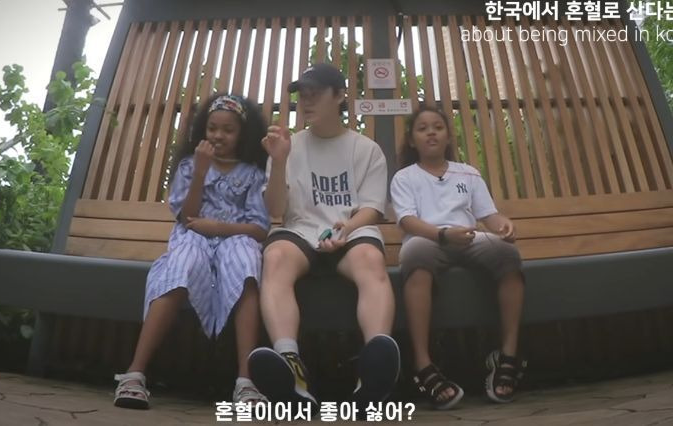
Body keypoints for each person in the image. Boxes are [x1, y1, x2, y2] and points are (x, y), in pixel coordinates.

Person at [248, 63, 400, 412]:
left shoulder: (365, 149)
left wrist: (345, 230)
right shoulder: (288, 146)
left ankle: (374, 368)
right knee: (275, 257)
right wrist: (280, 162)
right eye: (302, 95)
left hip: (351, 231)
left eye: (315, 93)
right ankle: (291, 369)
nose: (306, 101)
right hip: (300, 231)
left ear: (340, 96)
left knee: (370, 259)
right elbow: (276, 210)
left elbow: (372, 210)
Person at [113, 94, 270, 409]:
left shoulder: (253, 173)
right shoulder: (189, 166)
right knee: (181, 265)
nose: (218, 136)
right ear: (203, 130)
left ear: (243, 134)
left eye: (228, 130)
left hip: (235, 238)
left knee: (247, 266)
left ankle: (246, 382)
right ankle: (134, 374)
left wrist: (219, 227)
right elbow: (187, 217)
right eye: (212, 128)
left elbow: (259, 228)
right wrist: (200, 172)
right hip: (193, 236)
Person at [390, 106, 526, 409]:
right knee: (415, 254)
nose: (431, 133)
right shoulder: (405, 177)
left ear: (448, 136)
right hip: (429, 240)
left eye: (438, 127)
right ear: (412, 140)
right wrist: (442, 234)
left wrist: (503, 225)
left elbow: (488, 215)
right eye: (422, 128)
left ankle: (509, 356)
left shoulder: (467, 173)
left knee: (507, 254)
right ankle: (422, 363)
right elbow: (407, 221)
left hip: (468, 239)